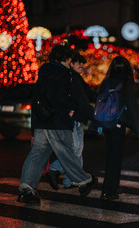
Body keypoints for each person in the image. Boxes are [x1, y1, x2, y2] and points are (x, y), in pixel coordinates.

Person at [17, 44, 97, 205]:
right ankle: (84, 180)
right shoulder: (66, 74)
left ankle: (26, 188)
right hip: (58, 121)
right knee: (66, 151)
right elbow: (65, 98)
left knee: (37, 154)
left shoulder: (44, 72)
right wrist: (78, 108)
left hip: (41, 120)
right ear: (67, 59)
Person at [46, 51, 94, 190]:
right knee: (75, 150)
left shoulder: (76, 78)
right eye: (78, 62)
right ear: (70, 63)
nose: (82, 65)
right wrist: (70, 111)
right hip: (71, 118)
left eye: (83, 63)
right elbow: (67, 98)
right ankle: (55, 168)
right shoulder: (69, 78)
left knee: (77, 150)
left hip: (76, 117)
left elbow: (88, 95)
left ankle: (69, 180)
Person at [97, 56, 139, 200]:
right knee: (115, 158)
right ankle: (108, 190)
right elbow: (133, 108)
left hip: (106, 124)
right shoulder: (126, 84)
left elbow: (99, 102)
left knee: (111, 155)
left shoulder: (106, 82)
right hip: (118, 125)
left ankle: (113, 186)